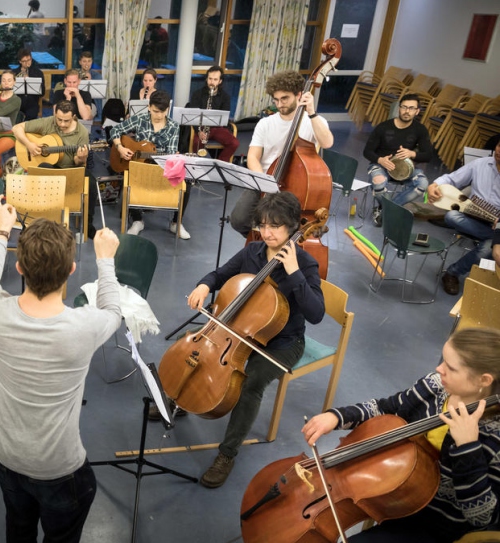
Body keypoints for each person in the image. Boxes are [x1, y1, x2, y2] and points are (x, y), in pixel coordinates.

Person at [0, 195, 121, 543]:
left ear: (20, 268)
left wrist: (2, 232)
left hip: (7, 458)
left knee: (19, 529)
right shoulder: (84, 327)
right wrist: (105, 260)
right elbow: (114, 310)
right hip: (61, 468)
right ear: (71, 270)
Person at [302, 327, 500, 542]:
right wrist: (337, 417)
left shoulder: (494, 437)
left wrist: (467, 449)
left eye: (450, 368)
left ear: (484, 380)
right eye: (443, 360)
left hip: (433, 524)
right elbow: (387, 408)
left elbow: (482, 517)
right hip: (390, 490)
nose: (438, 369)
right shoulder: (434, 387)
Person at [187, 192, 324, 488]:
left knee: (250, 385)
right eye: (262, 225)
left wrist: (294, 273)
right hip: (240, 329)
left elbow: (316, 314)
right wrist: (203, 285)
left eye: (275, 226)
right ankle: (179, 400)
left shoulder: (306, 264)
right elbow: (220, 274)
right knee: (202, 354)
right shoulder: (253, 250)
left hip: (282, 342)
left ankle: (227, 454)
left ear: (291, 227)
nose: (267, 232)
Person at [230, 70, 334, 237]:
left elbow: (327, 143)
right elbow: (253, 156)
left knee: (290, 227)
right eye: (276, 100)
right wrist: (264, 182)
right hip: (265, 180)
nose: (279, 105)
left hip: (297, 185)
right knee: (238, 219)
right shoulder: (265, 123)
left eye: (284, 98)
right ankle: (262, 244)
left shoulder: (315, 121)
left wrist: (312, 113)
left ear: (299, 95)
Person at [13, 100, 97, 238]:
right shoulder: (49, 122)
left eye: (66, 121)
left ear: (74, 117)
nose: (62, 124)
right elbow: (16, 128)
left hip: (70, 169)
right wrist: (29, 145)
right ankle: (40, 222)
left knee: (91, 182)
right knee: (42, 168)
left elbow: (79, 164)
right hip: (50, 169)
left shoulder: (81, 132)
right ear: (54, 115)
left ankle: (88, 225)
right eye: (59, 120)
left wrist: (81, 158)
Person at [110, 90, 189, 237]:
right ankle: (137, 220)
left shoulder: (173, 126)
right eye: (155, 111)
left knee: (186, 183)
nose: (159, 116)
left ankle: (175, 223)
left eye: (162, 112)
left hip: (161, 167)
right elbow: (115, 130)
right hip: (139, 166)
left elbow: (170, 153)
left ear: (168, 109)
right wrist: (120, 147)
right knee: (131, 173)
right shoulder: (140, 119)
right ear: (149, 107)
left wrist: (171, 158)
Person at [427, 140, 500, 296]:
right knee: (451, 216)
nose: (499, 152)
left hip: (497, 226)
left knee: (488, 248)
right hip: (470, 218)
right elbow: (451, 179)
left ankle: (452, 273)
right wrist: (433, 186)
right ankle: (493, 241)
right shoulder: (480, 164)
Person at [364, 93, 436, 226]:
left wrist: (412, 154)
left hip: (406, 169)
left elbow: (428, 155)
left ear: (417, 111)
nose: (407, 111)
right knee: (378, 181)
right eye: (404, 107)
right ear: (399, 108)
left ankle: (387, 210)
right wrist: (380, 160)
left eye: (411, 108)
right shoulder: (383, 127)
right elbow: (367, 151)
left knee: (422, 184)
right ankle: (391, 211)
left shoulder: (420, 130)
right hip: (382, 166)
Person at [187, 66, 240, 163]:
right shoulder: (197, 94)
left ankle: (220, 164)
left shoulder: (225, 97)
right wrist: (199, 131)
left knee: (234, 143)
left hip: (217, 127)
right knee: (197, 143)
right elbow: (193, 115)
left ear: (220, 81)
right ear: (206, 79)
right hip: (201, 127)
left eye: (215, 79)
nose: (212, 82)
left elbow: (225, 117)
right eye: (210, 78)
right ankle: (199, 165)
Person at [15, 48, 45, 121]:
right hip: (17, 103)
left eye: (29, 60)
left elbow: (42, 92)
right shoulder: (14, 73)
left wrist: (30, 80)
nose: (27, 63)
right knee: (16, 118)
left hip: (32, 103)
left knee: (30, 118)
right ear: (20, 61)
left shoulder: (38, 73)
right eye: (24, 61)